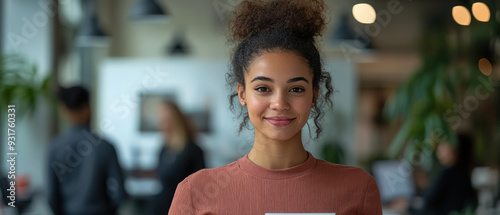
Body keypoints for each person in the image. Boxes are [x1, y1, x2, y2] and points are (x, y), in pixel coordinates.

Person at [168, 0, 383, 214]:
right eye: (263, 88)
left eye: (296, 89)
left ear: (314, 95)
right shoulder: (195, 193)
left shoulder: (358, 189)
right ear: (242, 94)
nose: (279, 103)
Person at [47, 86, 127, 215]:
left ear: (64, 111)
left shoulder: (55, 148)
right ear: (88, 107)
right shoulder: (106, 147)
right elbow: (120, 192)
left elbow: (51, 195)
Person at [148, 101, 205, 215]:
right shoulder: (163, 149)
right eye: (161, 120)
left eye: (166, 120)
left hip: (184, 209)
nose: (162, 124)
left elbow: (201, 186)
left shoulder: (193, 150)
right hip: (161, 207)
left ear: (176, 120)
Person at [420, 134, 477, 214]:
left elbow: (428, 201)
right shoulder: (462, 172)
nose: (439, 150)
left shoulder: (450, 173)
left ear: (455, 149)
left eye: (444, 146)